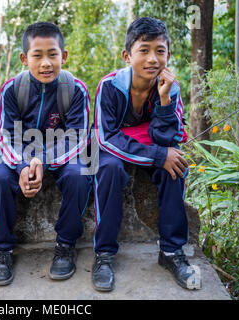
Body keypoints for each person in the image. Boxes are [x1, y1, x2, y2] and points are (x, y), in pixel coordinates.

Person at [92, 17, 201, 291]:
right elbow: (106, 138)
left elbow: (167, 138)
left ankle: (171, 251)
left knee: (175, 167)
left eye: (160, 51)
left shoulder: (170, 87)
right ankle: (104, 253)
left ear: (168, 55)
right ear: (127, 55)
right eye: (144, 50)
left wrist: (164, 101)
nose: (153, 59)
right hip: (114, 147)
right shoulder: (110, 86)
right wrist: (156, 155)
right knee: (109, 170)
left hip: (146, 143)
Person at [0, 22, 92, 286]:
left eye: (53, 54)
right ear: (24, 58)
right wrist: (24, 165)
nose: (46, 63)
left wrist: (43, 161)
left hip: (62, 153)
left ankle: (66, 245)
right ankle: (2, 249)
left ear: (63, 56)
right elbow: (5, 134)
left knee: (80, 175)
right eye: (37, 55)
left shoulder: (76, 89)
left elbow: (78, 136)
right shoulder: (12, 89)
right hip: (20, 154)